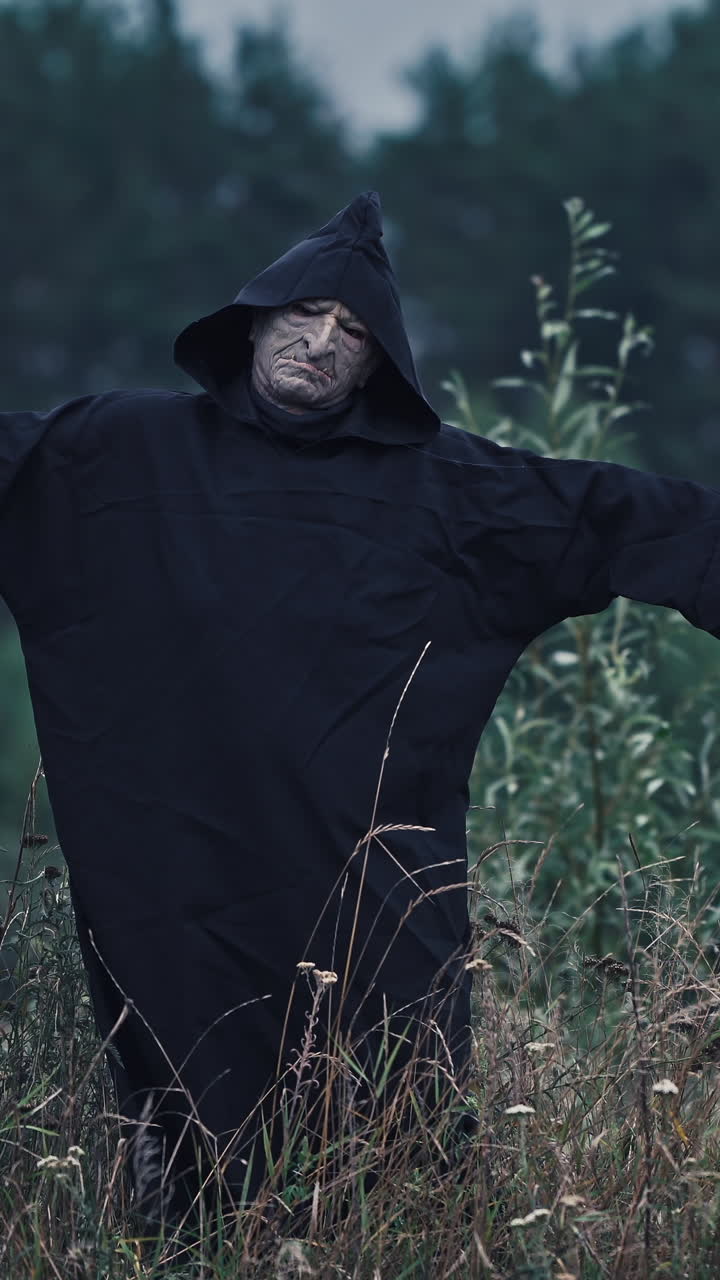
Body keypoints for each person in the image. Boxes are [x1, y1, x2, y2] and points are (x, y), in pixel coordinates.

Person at [1, 190, 719, 1219]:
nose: (321, 341)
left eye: (351, 331)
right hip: (180, 881)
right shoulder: (115, 455)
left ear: (379, 365)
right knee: (184, 1141)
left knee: (392, 1137)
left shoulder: (451, 493)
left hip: (366, 888)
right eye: (305, 313)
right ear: (256, 318)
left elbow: (632, 518)